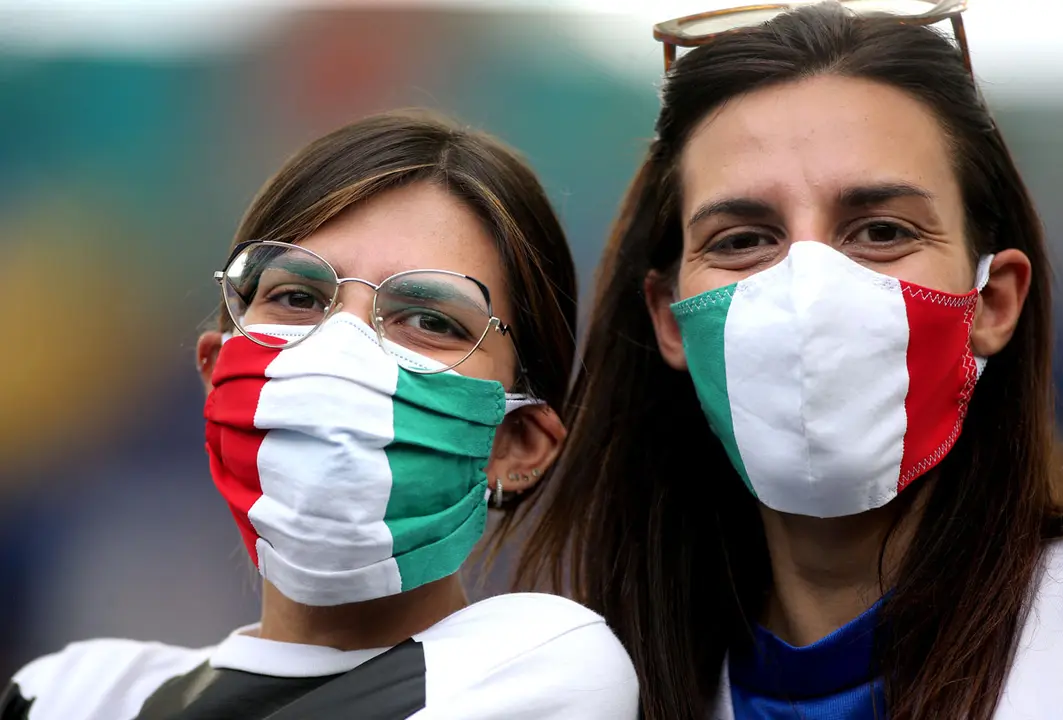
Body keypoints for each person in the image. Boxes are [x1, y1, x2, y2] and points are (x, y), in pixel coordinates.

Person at [515, 3, 1063, 719]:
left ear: (991, 302)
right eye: (742, 240)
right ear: (668, 320)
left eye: (880, 230)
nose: (808, 287)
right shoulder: (577, 685)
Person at [2, 110, 638, 720]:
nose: (340, 348)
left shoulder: (539, 667)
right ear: (215, 376)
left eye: (429, 321)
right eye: (297, 297)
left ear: (517, 442)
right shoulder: (69, 693)